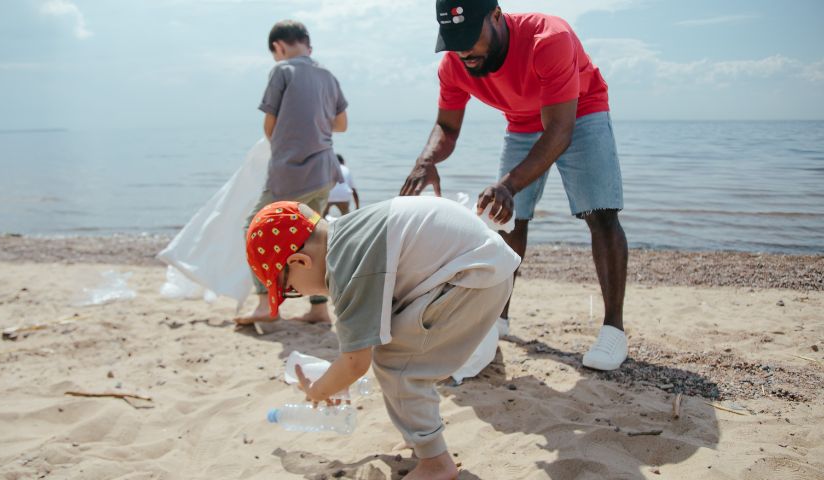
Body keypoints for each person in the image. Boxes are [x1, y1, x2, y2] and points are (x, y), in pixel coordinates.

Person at [400, 0, 629, 371]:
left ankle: (613, 330)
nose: (462, 51)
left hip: (579, 111)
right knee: (506, 218)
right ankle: (499, 317)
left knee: (600, 213)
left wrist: (508, 183)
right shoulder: (455, 65)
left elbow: (559, 131)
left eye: (469, 37)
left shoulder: (548, 39)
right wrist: (426, 161)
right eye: (452, 41)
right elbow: (448, 126)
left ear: (496, 16)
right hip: (522, 123)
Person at [246, 197, 520, 480]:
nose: (297, 294)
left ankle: (436, 463)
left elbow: (355, 362)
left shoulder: (344, 265)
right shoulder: (349, 234)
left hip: (472, 277)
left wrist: (319, 391)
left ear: (300, 261)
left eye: (290, 289)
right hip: (482, 266)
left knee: (398, 364)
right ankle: (420, 438)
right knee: (396, 352)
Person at [236, 19, 348, 326]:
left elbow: (269, 126)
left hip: (291, 171)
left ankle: (263, 303)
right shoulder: (327, 75)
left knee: (254, 229)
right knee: (315, 237)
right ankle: (319, 308)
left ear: (279, 46)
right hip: (324, 171)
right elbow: (341, 124)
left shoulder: (282, 71)